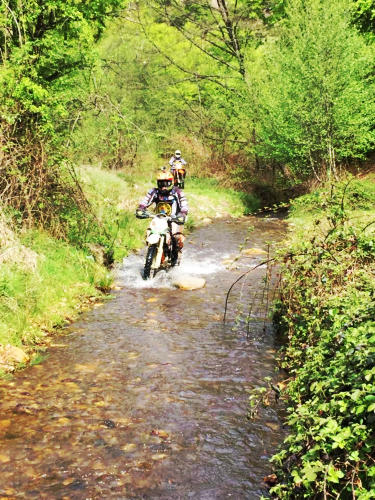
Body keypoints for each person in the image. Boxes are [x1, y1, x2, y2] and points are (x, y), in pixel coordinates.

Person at [135, 168, 188, 259]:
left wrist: (182, 213)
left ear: (171, 183)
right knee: (149, 232)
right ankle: (153, 251)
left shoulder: (177, 192)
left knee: (176, 237)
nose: (163, 186)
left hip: (174, 218)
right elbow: (145, 201)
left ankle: (176, 256)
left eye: (166, 183)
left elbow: (184, 204)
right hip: (159, 218)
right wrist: (141, 208)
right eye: (161, 183)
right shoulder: (154, 192)